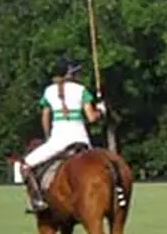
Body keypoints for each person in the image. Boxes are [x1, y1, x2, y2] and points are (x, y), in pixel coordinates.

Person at [21, 56, 105, 212]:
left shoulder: (48, 91)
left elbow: (45, 117)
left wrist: (47, 137)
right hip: (82, 140)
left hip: (58, 141)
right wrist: (101, 110)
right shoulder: (82, 90)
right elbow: (91, 118)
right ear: (70, 73)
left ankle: (37, 200)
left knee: (26, 165)